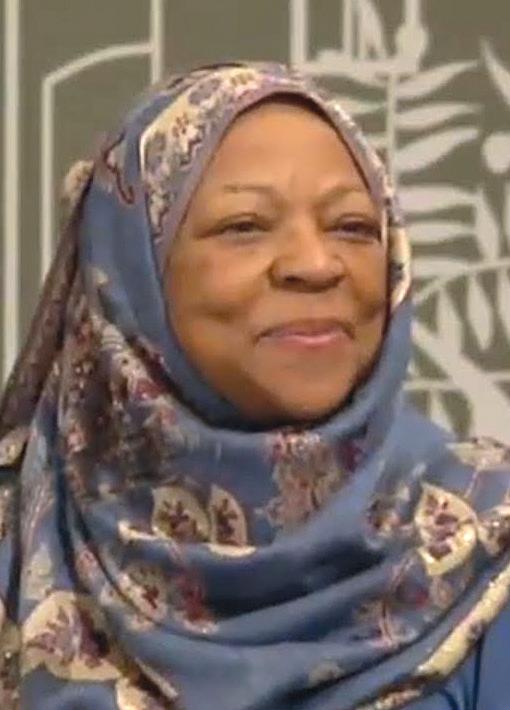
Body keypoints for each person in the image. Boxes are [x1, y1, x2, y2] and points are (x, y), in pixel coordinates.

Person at [0, 61, 508, 710]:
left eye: (352, 227)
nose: (315, 264)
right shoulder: (18, 544)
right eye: (244, 226)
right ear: (128, 269)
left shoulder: (487, 550)